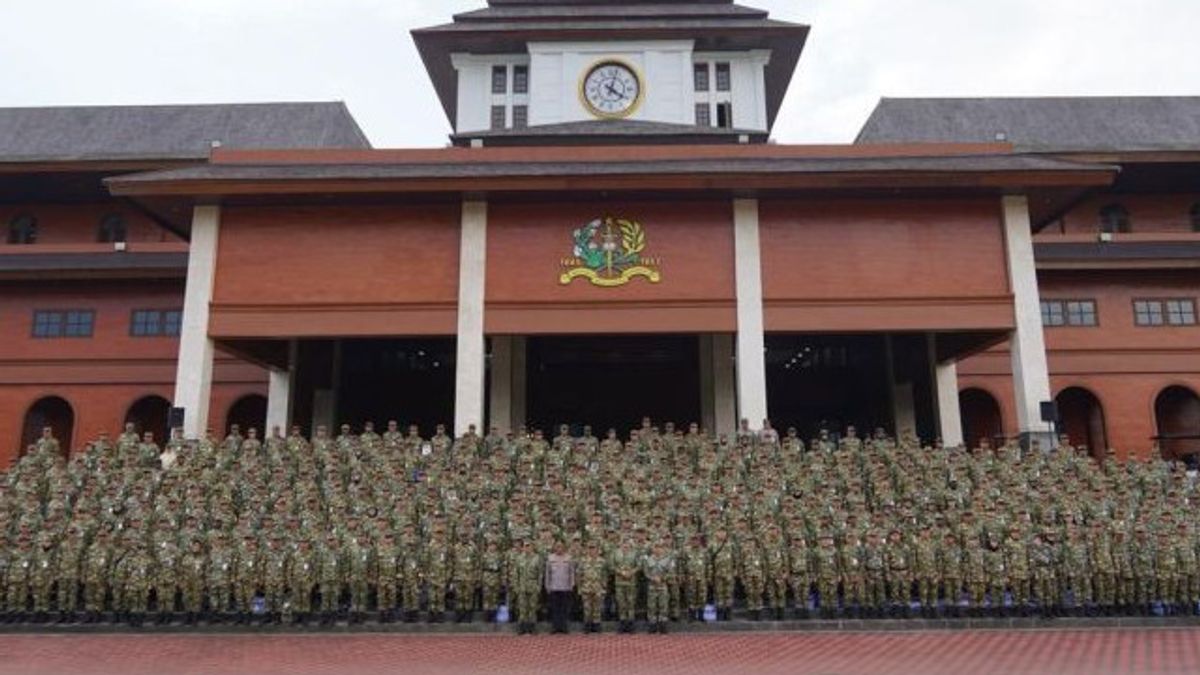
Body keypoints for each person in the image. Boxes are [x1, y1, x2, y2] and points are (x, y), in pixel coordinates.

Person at [544, 539, 576, 634]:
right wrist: (547, 585)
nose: (559, 548)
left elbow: (571, 572)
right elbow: (547, 573)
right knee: (555, 608)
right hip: (554, 587)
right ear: (554, 547)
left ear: (564, 547)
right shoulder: (550, 558)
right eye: (557, 546)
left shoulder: (569, 558)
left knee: (564, 608)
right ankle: (555, 627)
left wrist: (572, 584)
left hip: (565, 587)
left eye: (561, 546)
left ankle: (564, 627)